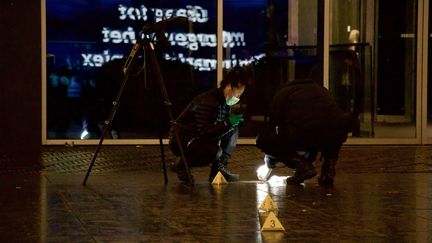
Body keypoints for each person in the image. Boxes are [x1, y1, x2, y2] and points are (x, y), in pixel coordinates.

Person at [255, 74, 351, 185]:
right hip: (336, 132)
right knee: (331, 129)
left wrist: (269, 163)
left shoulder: (282, 93)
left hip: (306, 132)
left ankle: (301, 166)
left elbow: (272, 127)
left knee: (263, 140)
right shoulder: (320, 90)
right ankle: (328, 170)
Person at [169, 66, 253, 184]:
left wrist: (232, 123)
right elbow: (205, 132)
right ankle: (182, 164)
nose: (238, 98)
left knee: (234, 129)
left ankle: (218, 170)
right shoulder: (208, 101)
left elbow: (218, 129)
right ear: (229, 87)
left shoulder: (223, 102)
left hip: (198, 138)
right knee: (213, 152)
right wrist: (227, 122)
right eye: (238, 93)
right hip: (183, 139)